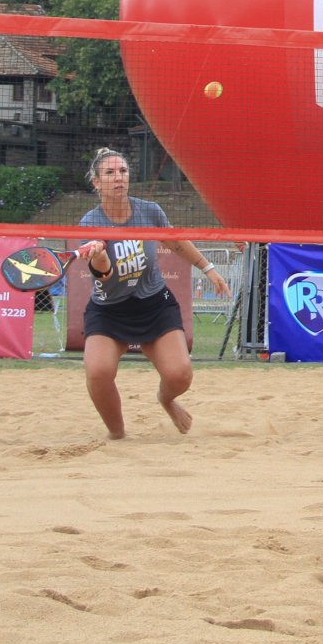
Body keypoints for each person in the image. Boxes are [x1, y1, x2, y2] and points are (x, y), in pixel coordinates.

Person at [75, 147, 232, 439]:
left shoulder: (149, 211)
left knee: (180, 375)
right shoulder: (90, 223)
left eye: (122, 171)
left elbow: (174, 242)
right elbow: (105, 276)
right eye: (109, 173)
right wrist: (99, 255)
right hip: (109, 310)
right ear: (96, 182)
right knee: (98, 373)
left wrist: (207, 267)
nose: (118, 178)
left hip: (154, 304)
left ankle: (166, 399)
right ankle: (118, 435)